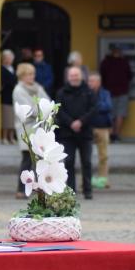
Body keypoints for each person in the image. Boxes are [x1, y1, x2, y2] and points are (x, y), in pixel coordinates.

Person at [55, 66, 98, 199]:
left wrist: (81, 122)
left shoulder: (89, 92)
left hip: (85, 133)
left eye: (76, 75)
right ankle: (71, 190)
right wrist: (71, 123)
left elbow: (93, 109)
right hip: (67, 134)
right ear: (68, 77)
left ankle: (88, 190)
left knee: (87, 162)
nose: (74, 77)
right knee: (69, 162)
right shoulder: (61, 93)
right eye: (72, 75)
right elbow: (59, 111)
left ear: (82, 76)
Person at [12, 62, 49, 198]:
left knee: (39, 160)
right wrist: (40, 108)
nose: (31, 77)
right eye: (28, 74)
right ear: (22, 75)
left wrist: (41, 108)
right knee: (27, 159)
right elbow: (28, 109)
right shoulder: (18, 90)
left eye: (32, 74)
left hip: (39, 128)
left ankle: (38, 187)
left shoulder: (38, 88)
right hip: (26, 128)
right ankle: (21, 189)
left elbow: (47, 102)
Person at [99, 47, 133, 141]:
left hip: (109, 91)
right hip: (123, 91)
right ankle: (116, 134)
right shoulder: (124, 62)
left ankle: (110, 134)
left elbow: (102, 75)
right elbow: (130, 76)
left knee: (110, 114)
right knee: (120, 114)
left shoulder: (106, 62)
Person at [87, 72, 112, 189]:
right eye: (89, 81)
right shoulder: (85, 93)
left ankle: (104, 179)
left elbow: (108, 106)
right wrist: (96, 107)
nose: (90, 83)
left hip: (103, 128)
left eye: (92, 81)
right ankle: (87, 180)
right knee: (87, 156)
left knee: (103, 156)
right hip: (88, 128)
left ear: (98, 82)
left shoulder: (105, 93)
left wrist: (94, 106)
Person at [0, 49, 18, 144]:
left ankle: (11, 137)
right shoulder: (1, 69)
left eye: (11, 58)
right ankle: (4, 138)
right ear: (4, 58)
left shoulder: (12, 68)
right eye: (8, 58)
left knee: (12, 120)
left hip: (14, 97)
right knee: (6, 119)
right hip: (6, 96)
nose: (10, 60)